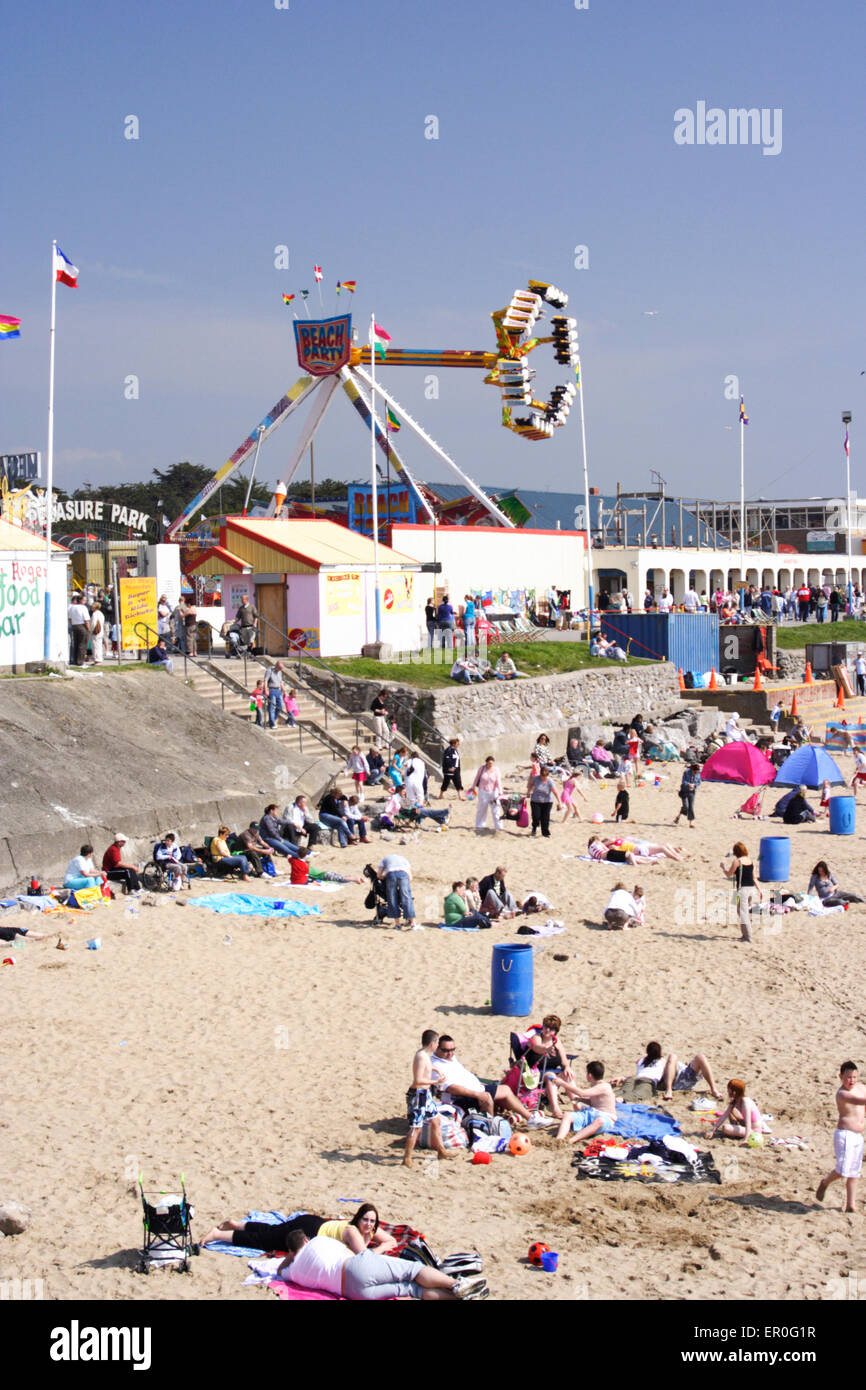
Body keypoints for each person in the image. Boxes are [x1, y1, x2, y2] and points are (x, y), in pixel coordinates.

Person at [276, 1232, 486, 1300]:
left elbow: (279, 1271)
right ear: (305, 1239)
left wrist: (291, 1257)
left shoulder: (293, 1273)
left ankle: (458, 1299)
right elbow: (348, 1252)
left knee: (412, 1289)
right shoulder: (318, 1241)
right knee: (412, 1271)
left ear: (293, 1252)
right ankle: (456, 1285)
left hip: (353, 1292)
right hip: (354, 1267)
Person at [201, 1202, 394, 1255]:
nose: (368, 1224)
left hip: (315, 1223)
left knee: (273, 1230)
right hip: (309, 1231)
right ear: (358, 1219)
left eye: (372, 1221)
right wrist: (379, 1249)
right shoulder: (353, 1232)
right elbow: (363, 1258)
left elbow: (391, 1240)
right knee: (265, 1241)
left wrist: (380, 1246)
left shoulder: (370, 1230)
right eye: (365, 1220)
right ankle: (217, 1234)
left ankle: (237, 1224)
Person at [433, 1035, 530, 1120]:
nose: (450, 1053)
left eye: (452, 1050)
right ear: (437, 1048)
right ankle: (490, 1129)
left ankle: (530, 1118)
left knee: (505, 1089)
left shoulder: (449, 1058)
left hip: (477, 1089)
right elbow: (451, 1088)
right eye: (446, 1050)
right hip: (461, 1098)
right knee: (487, 1098)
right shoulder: (436, 1065)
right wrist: (477, 1094)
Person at [816, 1062, 866, 1212]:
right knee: (843, 1169)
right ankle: (825, 1182)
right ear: (841, 1077)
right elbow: (859, 1101)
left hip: (858, 1135)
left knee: (855, 1172)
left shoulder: (862, 1088)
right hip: (845, 1134)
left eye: (854, 1077)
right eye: (848, 1077)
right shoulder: (842, 1094)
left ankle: (851, 1205)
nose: (851, 1080)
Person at [404, 1029, 455, 1166]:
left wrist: (435, 1070)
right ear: (432, 1043)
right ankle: (407, 1157)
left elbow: (426, 1068)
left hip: (426, 1095)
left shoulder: (426, 1055)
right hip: (418, 1094)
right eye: (437, 1042)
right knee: (416, 1126)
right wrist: (435, 1082)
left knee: (435, 1120)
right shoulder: (421, 1056)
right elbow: (418, 1080)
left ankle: (441, 1150)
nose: (438, 1045)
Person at [631, 1041, 722, 1101]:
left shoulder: (657, 1060)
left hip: (684, 1075)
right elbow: (645, 1075)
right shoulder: (652, 1062)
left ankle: (713, 1089)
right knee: (672, 1056)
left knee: (700, 1056)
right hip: (673, 1081)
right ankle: (669, 1090)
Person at [555, 1062, 618, 1143]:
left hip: (605, 1117)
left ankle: (572, 1140)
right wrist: (581, 1100)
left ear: (589, 1075)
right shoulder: (595, 1085)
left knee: (599, 1121)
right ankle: (559, 1139)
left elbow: (582, 1093)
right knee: (567, 1115)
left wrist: (562, 1083)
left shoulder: (604, 1086)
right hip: (592, 1113)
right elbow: (595, 1102)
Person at [721, 841, 762, 942]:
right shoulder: (751, 861)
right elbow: (754, 878)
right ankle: (744, 934)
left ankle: (748, 937)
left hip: (741, 890)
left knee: (742, 912)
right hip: (751, 889)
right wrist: (759, 890)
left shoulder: (737, 862)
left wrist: (723, 868)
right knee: (741, 910)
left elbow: (728, 875)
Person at [709, 1079, 766, 1143]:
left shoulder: (745, 1102)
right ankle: (736, 1128)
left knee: (726, 1128)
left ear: (734, 1092)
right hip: (745, 1124)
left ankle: (742, 1133)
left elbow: (748, 1122)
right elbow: (724, 1115)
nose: (727, 1091)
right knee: (731, 1111)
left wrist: (746, 1139)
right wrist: (712, 1130)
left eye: (729, 1089)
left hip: (753, 1130)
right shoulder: (735, 1101)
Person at [378, 852, 417, 929]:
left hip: (391, 875)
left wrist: (385, 877)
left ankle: (397, 924)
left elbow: (379, 875)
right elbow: (410, 878)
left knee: (392, 898)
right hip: (403, 874)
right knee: (407, 898)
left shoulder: (384, 860)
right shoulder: (405, 860)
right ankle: (413, 923)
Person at [526, 765, 561, 838]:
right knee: (536, 816)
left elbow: (555, 792)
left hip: (547, 801)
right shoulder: (536, 778)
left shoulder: (550, 781)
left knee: (545, 817)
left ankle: (545, 833)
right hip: (535, 800)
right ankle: (534, 829)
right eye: (542, 776)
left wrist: (559, 802)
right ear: (540, 774)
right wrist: (528, 791)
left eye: (545, 777)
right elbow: (530, 784)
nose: (543, 778)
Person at [470, 755, 502, 834]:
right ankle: (480, 825)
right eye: (489, 763)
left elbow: (498, 781)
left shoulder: (496, 770)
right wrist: (473, 787)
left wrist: (500, 791)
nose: (490, 765)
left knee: (496, 810)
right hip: (483, 791)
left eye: (492, 763)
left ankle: (499, 827)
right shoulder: (482, 769)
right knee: (482, 809)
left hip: (493, 792)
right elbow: (477, 778)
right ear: (486, 763)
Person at [674, 762, 701, 828]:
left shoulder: (698, 774)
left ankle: (691, 823)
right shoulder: (686, 772)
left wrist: (694, 785)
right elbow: (683, 782)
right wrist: (689, 784)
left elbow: (699, 782)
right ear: (692, 770)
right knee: (686, 807)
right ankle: (678, 817)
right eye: (695, 772)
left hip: (692, 792)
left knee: (691, 807)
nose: (696, 773)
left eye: (697, 772)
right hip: (684, 791)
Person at [67, 593, 91, 666]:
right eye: (84, 600)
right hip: (82, 625)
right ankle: (80, 661)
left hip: (74, 625)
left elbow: (70, 619)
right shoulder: (83, 608)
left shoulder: (72, 607)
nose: (85, 601)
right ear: (80, 600)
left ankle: (75, 660)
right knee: (83, 644)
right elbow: (86, 620)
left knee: (76, 643)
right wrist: (89, 629)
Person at [266, 662, 287, 728]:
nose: (280, 670)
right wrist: (266, 690)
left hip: (278, 690)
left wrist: (284, 691)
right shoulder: (270, 670)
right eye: (280, 668)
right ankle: (272, 724)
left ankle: (271, 720)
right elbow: (265, 681)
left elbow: (281, 682)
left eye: (281, 668)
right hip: (272, 689)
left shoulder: (280, 672)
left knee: (280, 706)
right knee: (272, 707)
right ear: (276, 666)